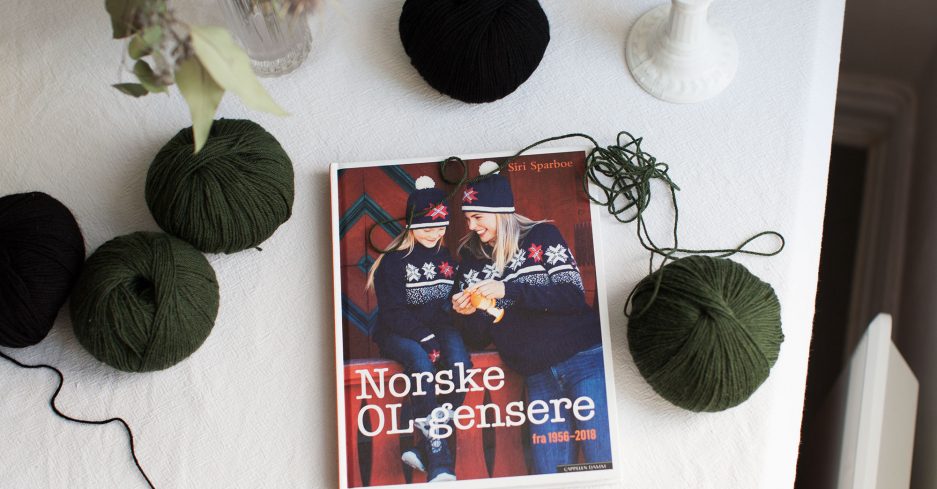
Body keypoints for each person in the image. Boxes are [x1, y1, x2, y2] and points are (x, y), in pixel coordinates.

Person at [451, 161, 612, 474]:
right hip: (538, 376)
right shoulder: (471, 263)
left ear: (500, 212)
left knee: (602, 458)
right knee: (549, 471)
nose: (471, 226)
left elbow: (571, 296)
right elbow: (477, 337)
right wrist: (470, 312)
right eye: (468, 218)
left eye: (477, 217)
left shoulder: (542, 236)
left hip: (584, 361)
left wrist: (508, 289)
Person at [366, 176, 470, 483]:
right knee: (421, 363)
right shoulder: (393, 262)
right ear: (412, 225)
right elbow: (393, 312)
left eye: (440, 228)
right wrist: (425, 338)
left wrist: (461, 303)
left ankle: (423, 448)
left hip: (438, 326)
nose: (434, 234)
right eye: (427, 228)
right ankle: (439, 459)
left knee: (460, 364)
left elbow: (448, 303)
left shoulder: (446, 259)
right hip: (397, 330)